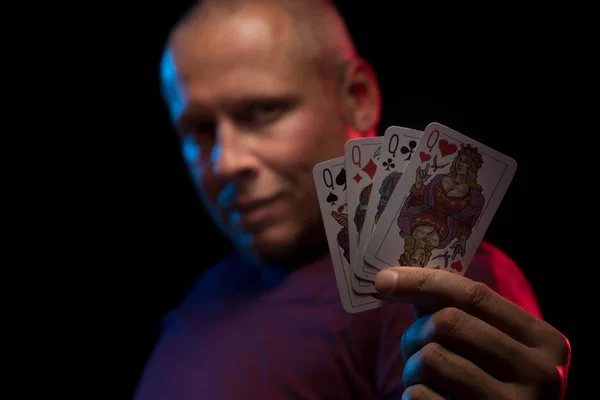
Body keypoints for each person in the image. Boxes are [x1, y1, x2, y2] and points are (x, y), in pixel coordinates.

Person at [134, 0, 571, 398]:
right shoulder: (207, 290)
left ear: (357, 98)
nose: (226, 162)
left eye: (263, 111)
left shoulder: (440, 285)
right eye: (199, 131)